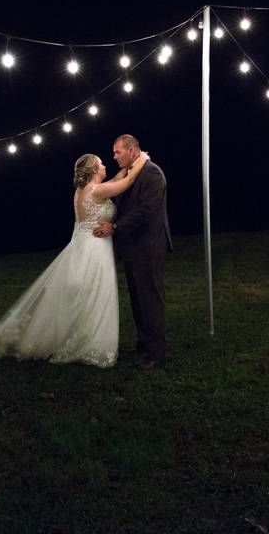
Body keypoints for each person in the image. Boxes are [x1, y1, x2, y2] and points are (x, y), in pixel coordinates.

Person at [0, 150, 150, 367]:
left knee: (82, 294)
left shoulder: (82, 190)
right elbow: (126, 181)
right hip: (95, 248)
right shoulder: (98, 190)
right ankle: (90, 344)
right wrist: (142, 161)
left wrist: (128, 166)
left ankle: (77, 336)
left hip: (80, 245)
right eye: (101, 164)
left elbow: (118, 178)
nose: (105, 166)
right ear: (92, 170)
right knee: (96, 293)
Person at [93, 134, 172, 370]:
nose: (114, 156)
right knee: (138, 301)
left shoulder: (152, 173)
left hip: (148, 247)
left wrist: (115, 227)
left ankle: (155, 354)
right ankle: (144, 344)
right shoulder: (130, 173)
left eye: (118, 152)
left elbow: (147, 212)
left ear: (133, 150)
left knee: (150, 300)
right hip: (132, 248)